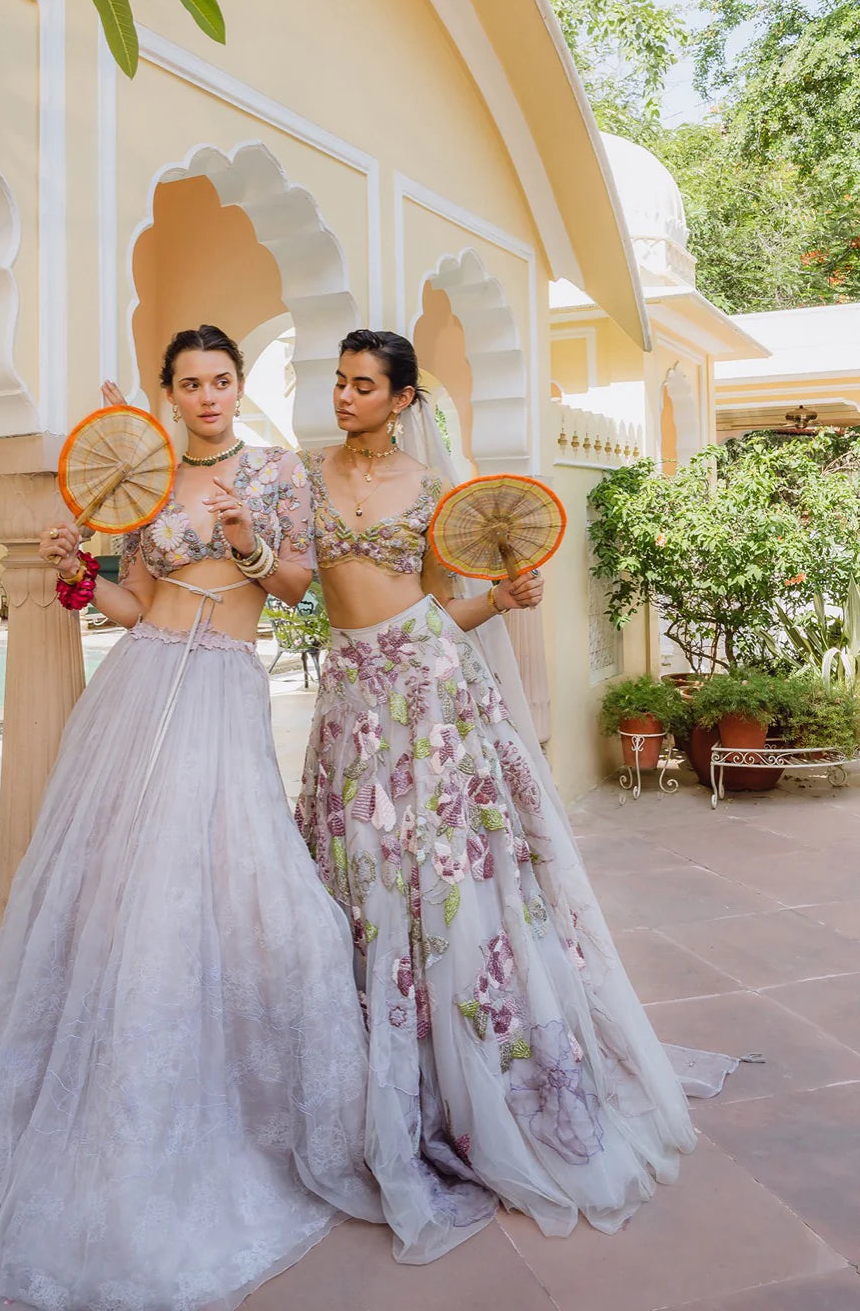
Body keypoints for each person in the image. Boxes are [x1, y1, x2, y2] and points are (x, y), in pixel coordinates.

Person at [0, 325, 382, 1311]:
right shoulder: (146, 477)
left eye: (220, 380)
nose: (207, 396)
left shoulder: (275, 472)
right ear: (171, 390)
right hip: (140, 686)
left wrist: (247, 537)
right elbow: (129, 600)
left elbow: (293, 587)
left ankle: (246, 1108)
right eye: (190, 382)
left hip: (223, 693)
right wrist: (73, 567)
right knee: (124, 900)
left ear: (238, 386)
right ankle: (111, 1107)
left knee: (257, 908)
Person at [295, 329, 732, 1265]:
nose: (343, 397)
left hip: (431, 697)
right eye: (338, 382)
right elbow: (295, 578)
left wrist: (503, 601)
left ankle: (475, 1092)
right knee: (359, 875)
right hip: (349, 701)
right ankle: (377, 1080)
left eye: (363, 385)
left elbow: (440, 603)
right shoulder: (305, 475)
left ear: (403, 398)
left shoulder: (429, 489)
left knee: (439, 873)